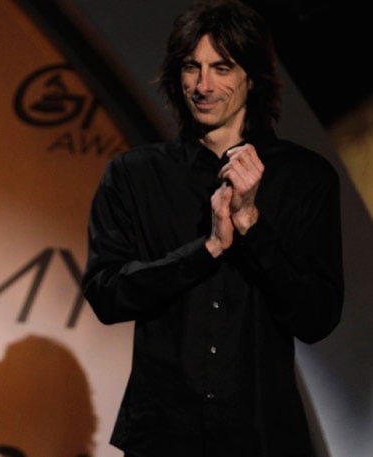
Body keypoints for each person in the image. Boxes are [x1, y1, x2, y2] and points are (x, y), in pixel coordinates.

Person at [81, 1, 344, 456]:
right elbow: (106, 295)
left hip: (263, 436)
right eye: (191, 67)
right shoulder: (134, 175)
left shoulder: (306, 178)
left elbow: (317, 317)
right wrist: (206, 251)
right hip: (162, 436)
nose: (203, 86)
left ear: (252, 77)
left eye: (221, 67)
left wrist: (251, 225)